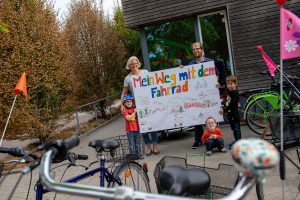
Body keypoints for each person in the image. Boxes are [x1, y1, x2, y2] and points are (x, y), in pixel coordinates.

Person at [121, 56, 159, 156]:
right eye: (131, 64)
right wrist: (121, 105)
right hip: (138, 105)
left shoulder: (145, 72)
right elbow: (124, 93)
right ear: (129, 66)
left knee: (152, 125)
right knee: (143, 127)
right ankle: (148, 147)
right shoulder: (127, 78)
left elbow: (155, 83)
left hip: (149, 102)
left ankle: (155, 146)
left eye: (135, 63)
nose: (134, 65)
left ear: (138, 64)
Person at [188, 42, 218, 149]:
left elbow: (216, 75)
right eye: (194, 49)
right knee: (197, 117)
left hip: (209, 94)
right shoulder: (190, 65)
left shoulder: (210, 62)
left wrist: (216, 84)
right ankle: (198, 140)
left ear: (202, 49)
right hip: (196, 94)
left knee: (210, 116)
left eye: (197, 49)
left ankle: (214, 138)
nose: (196, 51)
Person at [220, 75, 241, 149]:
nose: (229, 85)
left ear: (235, 84)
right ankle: (236, 140)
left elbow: (232, 105)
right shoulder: (229, 92)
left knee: (236, 129)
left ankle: (238, 143)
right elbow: (227, 100)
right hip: (230, 114)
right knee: (233, 128)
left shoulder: (235, 93)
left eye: (231, 84)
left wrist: (224, 110)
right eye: (228, 84)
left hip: (234, 115)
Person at [122, 94, 143, 159]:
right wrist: (134, 112)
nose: (129, 103)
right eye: (127, 102)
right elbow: (128, 118)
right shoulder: (125, 110)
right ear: (125, 103)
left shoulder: (135, 108)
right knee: (132, 144)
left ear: (132, 102)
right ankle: (133, 156)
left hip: (137, 129)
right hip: (130, 130)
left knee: (138, 143)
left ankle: (139, 155)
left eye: (130, 101)